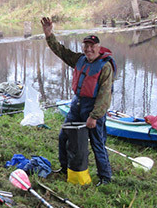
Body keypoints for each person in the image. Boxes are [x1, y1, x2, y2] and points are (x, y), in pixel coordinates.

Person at [41, 16, 116, 185]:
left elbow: (105, 95)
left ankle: (105, 177)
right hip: (77, 104)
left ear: (98, 47)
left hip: (93, 107)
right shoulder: (79, 59)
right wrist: (49, 34)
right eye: (86, 46)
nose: (89, 49)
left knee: (97, 143)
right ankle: (65, 167)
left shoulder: (105, 67)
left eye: (92, 46)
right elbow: (61, 51)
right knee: (64, 137)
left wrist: (94, 116)